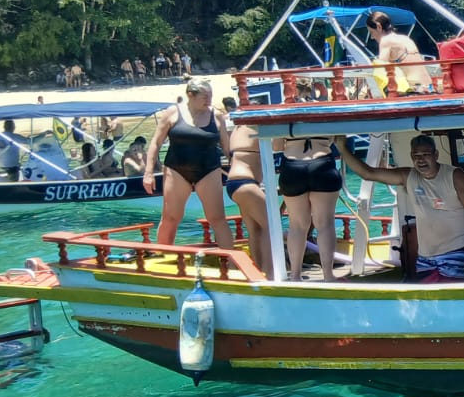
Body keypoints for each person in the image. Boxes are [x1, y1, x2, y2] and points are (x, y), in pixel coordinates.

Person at [338, 134, 464, 282]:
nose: (421, 159)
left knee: (454, 303)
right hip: (425, 258)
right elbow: (368, 173)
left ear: (436, 155)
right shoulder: (408, 176)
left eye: (426, 154)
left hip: (456, 253)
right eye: (416, 155)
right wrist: (342, 149)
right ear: (411, 156)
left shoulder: (455, 176)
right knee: (428, 303)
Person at [145, 78, 233, 249]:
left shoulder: (216, 116)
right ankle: (164, 256)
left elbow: (226, 146)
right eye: (205, 96)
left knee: (217, 218)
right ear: (190, 95)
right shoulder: (172, 113)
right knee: (171, 217)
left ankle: (231, 263)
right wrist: (148, 173)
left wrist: (236, 168)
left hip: (209, 169)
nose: (209, 100)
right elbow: (155, 143)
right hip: (176, 169)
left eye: (210, 96)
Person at [272, 129, 343, 282]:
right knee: (325, 224)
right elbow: (334, 138)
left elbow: (276, 146)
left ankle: (295, 275)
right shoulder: (323, 111)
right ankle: (328, 275)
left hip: (293, 166)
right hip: (322, 162)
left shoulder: (286, 114)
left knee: (297, 226)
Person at [225, 124, 272, 277]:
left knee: (254, 229)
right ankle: (269, 272)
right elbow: (278, 146)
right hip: (247, 183)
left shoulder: (237, 131)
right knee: (270, 227)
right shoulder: (256, 128)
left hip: (234, 184)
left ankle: (258, 271)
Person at [366, 10, 433, 93]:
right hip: (429, 87)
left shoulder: (386, 40)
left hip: (416, 89)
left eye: (371, 32)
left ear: (379, 27)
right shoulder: (406, 38)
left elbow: (381, 69)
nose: (372, 37)